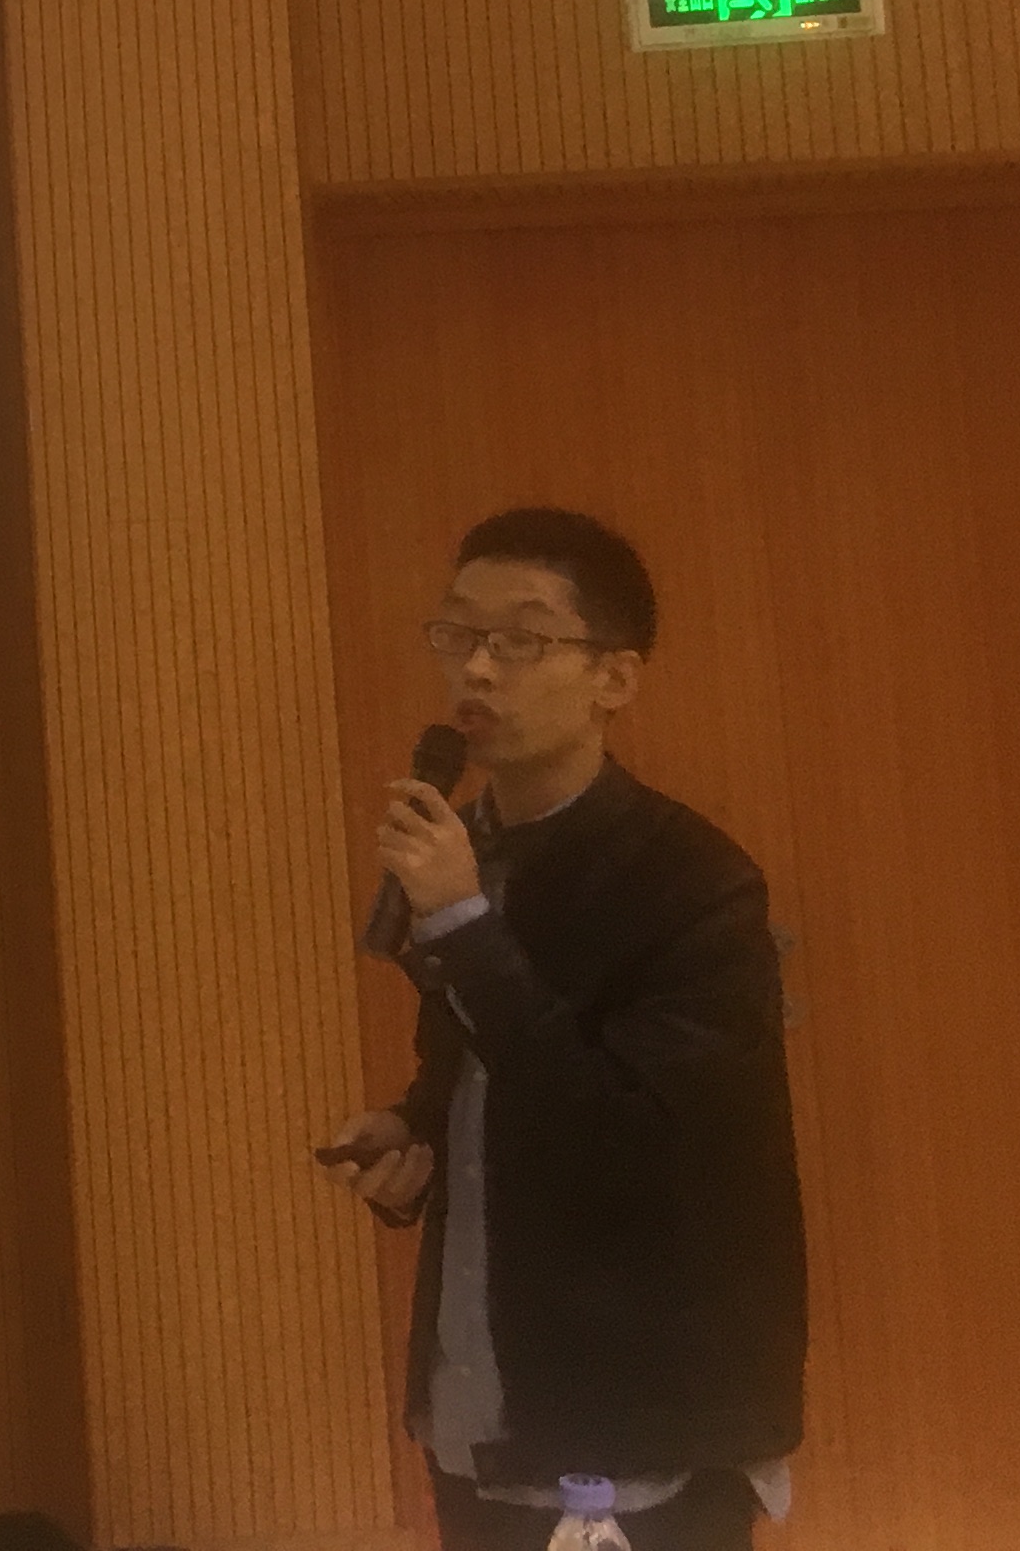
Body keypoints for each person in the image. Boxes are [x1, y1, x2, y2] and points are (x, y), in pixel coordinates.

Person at [313, 507, 805, 1549]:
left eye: (522, 640)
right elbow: (481, 1074)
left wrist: (463, 926)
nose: (477, 669)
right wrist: (415, 1138)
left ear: (614, 678)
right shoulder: (472, 853)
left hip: (639, 1411)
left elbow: (629, 1139)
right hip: (482, 1396)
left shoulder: (696, 884)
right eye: (458, 633)